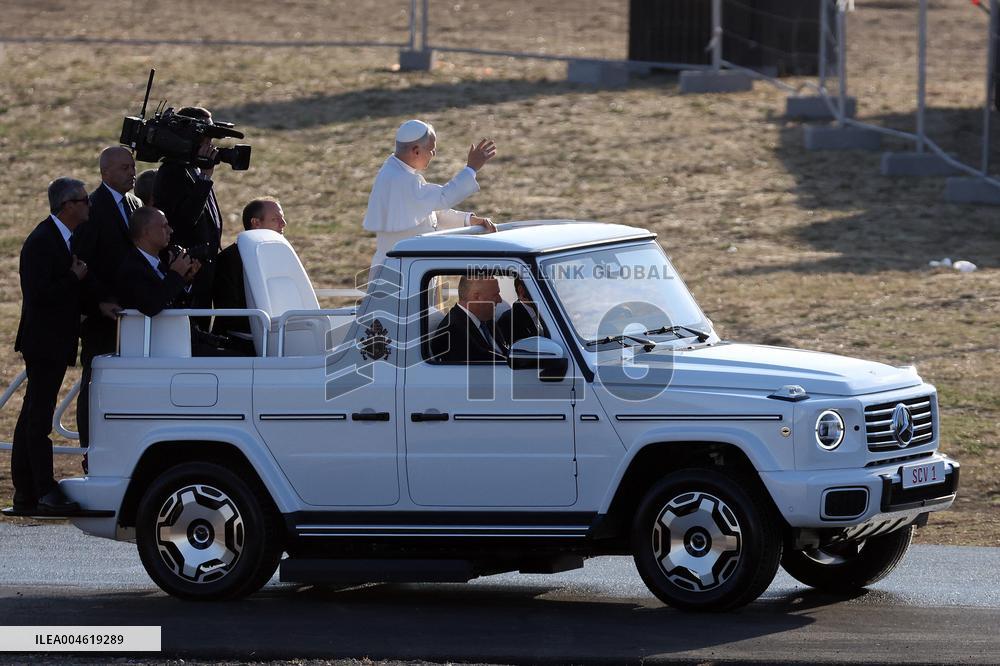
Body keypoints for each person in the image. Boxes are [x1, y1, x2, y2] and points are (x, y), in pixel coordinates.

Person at [12, 178, 114, 515]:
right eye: (85, 200)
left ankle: (26, 493)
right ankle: (41, 490)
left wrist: (96, 303)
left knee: (32, 416)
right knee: (37, 419)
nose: (89, 205)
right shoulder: (43, 241)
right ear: (67, 205)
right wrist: (74, 278)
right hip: (44, 342)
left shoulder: (63, 239)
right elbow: (39, 295)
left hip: (53, 340)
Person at [73, 146, 141, 447]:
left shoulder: (134, 204)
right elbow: (82, 263)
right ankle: (90, 447)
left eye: (133, 166)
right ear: (105, 173)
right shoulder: (94, 208)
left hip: (133, 314)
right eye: (124, 168)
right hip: (102, 317)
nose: (132, 172)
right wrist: (98, 302)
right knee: (94, 384)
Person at [363, 119, 498, 269]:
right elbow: (443, 197)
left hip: (414, 269)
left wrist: (470, 220)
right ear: (416, 150)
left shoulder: (399, 173)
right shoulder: (399, 179)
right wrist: (471, 168)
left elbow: (432, 212)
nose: (434, 154)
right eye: (431, 149)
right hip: (399, 275)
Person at [152, 106, 225, 326]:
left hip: (204, 276)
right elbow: (183, 222)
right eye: (205, 136)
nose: (210, 145)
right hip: (187, 276)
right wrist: (204, 178)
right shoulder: (172, 171)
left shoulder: (193, 169)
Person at [212, 197, 287, 338]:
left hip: (276, 336)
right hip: (239, 341)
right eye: (276, 219)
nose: (283, 223)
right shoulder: (229, 259)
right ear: (256, 223)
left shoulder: (280, 256)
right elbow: (228, 312)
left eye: (282, 218)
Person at [430, 276, 507, 363]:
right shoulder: (451, 333)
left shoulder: (487, 321)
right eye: (495, 295)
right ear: (477, 297)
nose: (500, 300)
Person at [497, 276, 548, 345]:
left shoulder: (548, 313)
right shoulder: (508, 320)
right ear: (521, 290)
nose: (545, 292)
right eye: (539, 288)